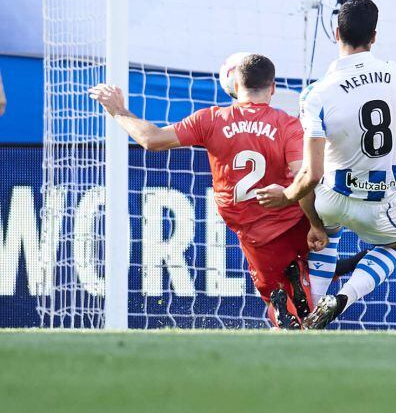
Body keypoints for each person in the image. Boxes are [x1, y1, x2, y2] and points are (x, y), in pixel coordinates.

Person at [89, 53, 326, 329]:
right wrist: (315, 224)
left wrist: (118, 110)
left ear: (235, 86)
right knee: (316, 275)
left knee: (287, 315)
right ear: (273, 87)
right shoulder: (288, 124)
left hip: (258, 236)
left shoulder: (212, 119)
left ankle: (295, 304)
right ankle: (332, 278)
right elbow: (305, 177)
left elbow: (150, 139)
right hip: (296, 222)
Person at [257, 0, 396, 329]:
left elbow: (310, 173)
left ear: (335, 32)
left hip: (331, 196)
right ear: (374, 36)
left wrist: (289, 199)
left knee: (324, 236)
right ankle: (342, 298)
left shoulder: (317, 93)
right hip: (378, 198)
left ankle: (306, 315)